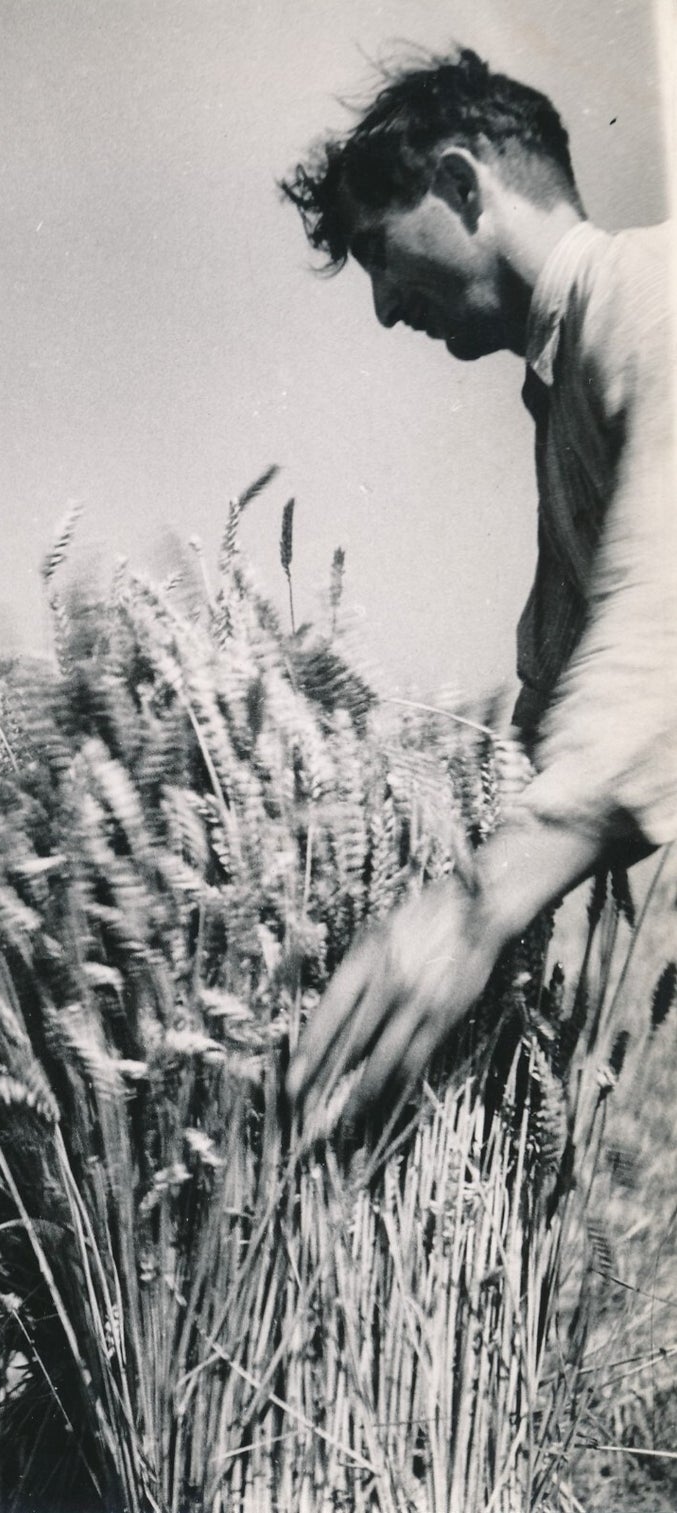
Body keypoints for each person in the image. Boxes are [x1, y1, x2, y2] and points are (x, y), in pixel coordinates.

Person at [277, 49, 675, 1122]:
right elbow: (555, 706)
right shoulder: (564, 394)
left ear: (463, 185)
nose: (380, 308)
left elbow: (659, 634)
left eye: (375, 251)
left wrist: (466, 911)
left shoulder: (651, 294)